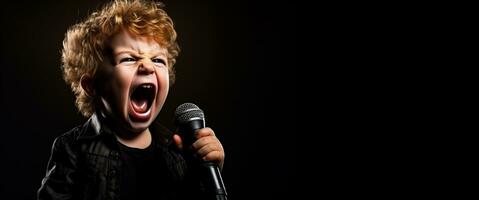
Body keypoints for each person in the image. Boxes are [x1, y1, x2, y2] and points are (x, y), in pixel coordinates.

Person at [37, 0, 225, 199]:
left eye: (158, 60)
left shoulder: (176, 154)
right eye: (129, 58)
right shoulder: (73, 148)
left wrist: (205, 174)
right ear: (92, 85)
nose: (148, 66)